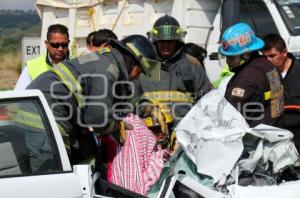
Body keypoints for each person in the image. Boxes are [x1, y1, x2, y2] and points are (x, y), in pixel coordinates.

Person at [25, 35, 161, 164]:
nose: (138, 76)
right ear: (132, 61)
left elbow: (117, 99)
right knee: (51, 172)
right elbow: (97, 119)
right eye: (140, 70)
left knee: (89, 154)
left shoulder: (106, 62)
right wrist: (116, 126)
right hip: (42, 118)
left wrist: (143, 105)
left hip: (50, 110)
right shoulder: (107, 71)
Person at [135, 15, 211, 147]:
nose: (165, 45)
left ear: (178, 41)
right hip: (149, 138)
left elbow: (207, 102)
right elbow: (130, 99)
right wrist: (145, 108)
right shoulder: (143, 67)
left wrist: (191, 130)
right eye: (162, 41)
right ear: (155, 41)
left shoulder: (192, 65)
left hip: (186, 138)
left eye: (170, 41)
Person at [219, 23, 284, 128]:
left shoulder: (245, 78)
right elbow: (277, 106)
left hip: (252, 137)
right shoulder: (269, 66)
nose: (227, 61)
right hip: (274, 130)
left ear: (245, 54)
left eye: (231, 58)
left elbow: (229, 115)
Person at [262, 34, 300, 151]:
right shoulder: (270, 74)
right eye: (265, 57)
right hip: (277, 135)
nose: (268, 60)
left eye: (272, 56)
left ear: (284, 52)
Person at [15, 24, 70, 90]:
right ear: (47, 44)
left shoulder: (76, 65)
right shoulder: (32, 67)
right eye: (55, 45)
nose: (60, 49)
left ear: (68, 43)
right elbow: (20, 94)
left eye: (64, 45)